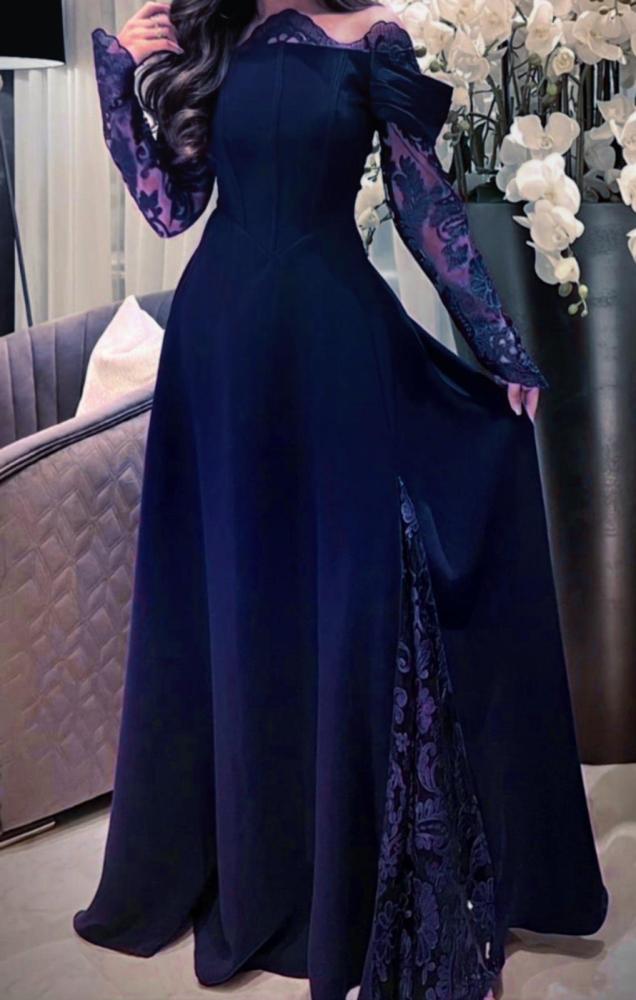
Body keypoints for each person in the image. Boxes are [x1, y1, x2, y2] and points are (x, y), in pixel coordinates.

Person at [72, 3, 609, 999]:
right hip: (222, 350)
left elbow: (421, 200)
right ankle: (257, 869)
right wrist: (117, 77)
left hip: (334, 341)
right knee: (241, 607)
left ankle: (351, 873)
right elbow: (172, 206)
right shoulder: (220, 32)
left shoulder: (376, 37)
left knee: (353, 596)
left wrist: (498, 343)